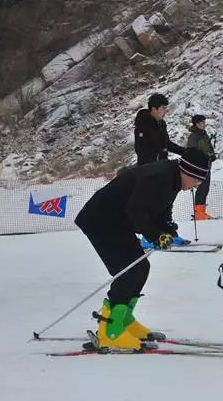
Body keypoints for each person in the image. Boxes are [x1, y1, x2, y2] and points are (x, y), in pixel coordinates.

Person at [74, 147, 209, 350]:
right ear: (188, 172)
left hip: (117, 222)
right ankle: (109, 331)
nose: (195, 187)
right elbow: (136, 211)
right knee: (129, 272)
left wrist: (168, 231)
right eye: (197, 181)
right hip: (100, 220)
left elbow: (161, 210)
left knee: (140, 269)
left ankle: (124, 320)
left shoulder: (172, 178)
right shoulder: (159, 177)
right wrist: (156, 235)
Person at [133, 93, 186, 241]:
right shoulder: (143, 124)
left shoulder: (162, 124)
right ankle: (148, 234)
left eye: (166, 108)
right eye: (163, 108)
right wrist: (158, 152)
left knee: (165, 199)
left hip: (162, 168)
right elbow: (141, 149)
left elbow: (166, 144)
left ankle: (166, 228)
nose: (165, 111)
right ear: (154, 109)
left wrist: (185, 151)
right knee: (150, 201)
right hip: (148, 170)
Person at [187, 115, 216, 220]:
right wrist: (204, 156)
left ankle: (201, 212)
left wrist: (212, 155)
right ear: (197, 123)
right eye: (202, 122)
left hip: (206, 165)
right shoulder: (193, 136)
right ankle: (198, 213)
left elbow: (209, 147)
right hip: (199, 167)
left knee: (205, 188)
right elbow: (191, 152)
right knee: (201, 188)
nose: (204, 124)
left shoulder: (204, 135)